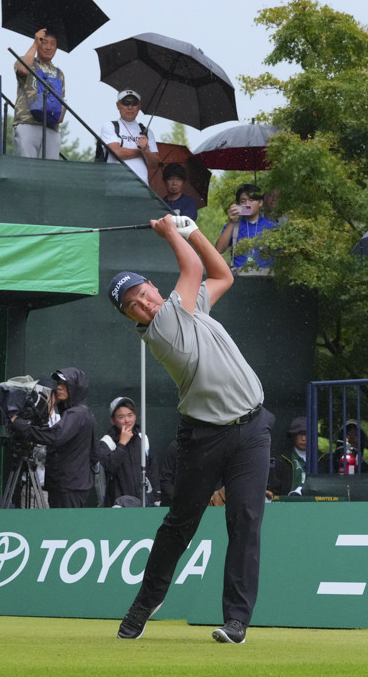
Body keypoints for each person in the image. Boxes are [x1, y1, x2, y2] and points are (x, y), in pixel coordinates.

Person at [108, 213, 272, 644]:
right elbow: (194, 268)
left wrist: (191, 230)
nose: (143, 304)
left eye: (143, 293)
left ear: (154, 289)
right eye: (133, 306)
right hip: (204, 436)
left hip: (252, 429)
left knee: (245, 519)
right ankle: (146, 602)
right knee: (180, 524)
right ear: (132, 318)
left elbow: (222, 274)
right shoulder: (160, 328)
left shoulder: (189, 309)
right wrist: (170, 234)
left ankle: (236, 620)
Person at [7, 368, 94, 508]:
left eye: (65, 384)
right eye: (58, 383)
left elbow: (55, 436)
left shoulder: (77, 413)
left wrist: (20, 425)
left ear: (75, 388)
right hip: (67, 485)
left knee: (64, 528)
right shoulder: (80, 413)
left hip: (68, 487)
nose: (59, 387)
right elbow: (94, 453)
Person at [93, 396, 159, 507]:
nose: (127, 420)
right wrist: (122, 443)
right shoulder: (106, 442)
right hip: (118, 506)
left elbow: (153, 471)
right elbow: (110, 466)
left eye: (130, 415)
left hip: (145, 504)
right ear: (113, 420)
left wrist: (157, 498)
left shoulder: (143, 439)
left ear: (135, 416)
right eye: (121, 417)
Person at [12, 28, 65, 159]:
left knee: (49, 172)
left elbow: (61, 101)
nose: (48, 47)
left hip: (51, 128)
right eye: (44, 42)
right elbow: (23, 70)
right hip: (27, 123)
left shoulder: (59, 73)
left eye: (53, 44)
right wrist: (35, 43)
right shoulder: (27, 61)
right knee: (27, 169)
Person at [215, 183, 279, 271]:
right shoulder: (234, 225)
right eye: (243, 201)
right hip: (240, 276)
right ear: (238, 205)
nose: (247, 204)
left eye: (251, 200)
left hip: (266, 276)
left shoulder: (273, 226)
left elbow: (284, 254)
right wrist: (231, 221)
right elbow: (219, 249)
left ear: (260, 202)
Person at [101, 89, 157, 182]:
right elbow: (116, 152)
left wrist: (146, 150)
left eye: (134, 103)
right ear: (118, 105)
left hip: (141, 188)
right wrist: (141, 152)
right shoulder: (110, 125)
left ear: (139, 106)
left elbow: (154, 164)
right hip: (115, 187)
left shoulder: (147, 131)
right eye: (125, 103)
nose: (130, 107)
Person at [268, 416, 321, 497]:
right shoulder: (281, 460)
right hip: (288, 505)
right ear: (292, 436)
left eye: (307, 434)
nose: (303, 439)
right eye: (300, 434)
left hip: (317, 504)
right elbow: (274, 491)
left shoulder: (322, 459)